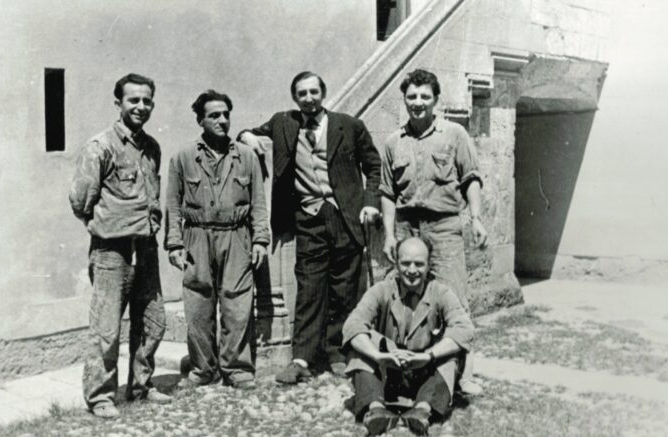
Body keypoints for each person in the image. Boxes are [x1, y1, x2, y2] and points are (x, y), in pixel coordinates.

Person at [238, 71, 381, 384]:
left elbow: (373, 165)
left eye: (314, 91)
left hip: (345, 216)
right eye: (301, 93)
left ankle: (338, 352)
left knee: (345, 289)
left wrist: (371, 202)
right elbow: (248, 132)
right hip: (308, 217)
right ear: (295, 98)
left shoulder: (349, 125)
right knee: (309, 288)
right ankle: (302, 358)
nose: (308, 98)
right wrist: (247, 136)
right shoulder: (284, 123)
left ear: (323, 93)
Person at [379, 68, 487, 396]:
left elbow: (471, 178)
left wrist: (476, 218)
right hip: (407, 225)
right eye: (412, 96)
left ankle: (465, 373)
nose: (418, 103)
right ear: (405, 100)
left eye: (425, 96)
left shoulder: (454, 134)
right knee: (406, 300)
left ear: (436, 99)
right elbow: (387, 192)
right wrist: (388, 235)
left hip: (444, 227)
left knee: (454, 299)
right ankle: (407, 370)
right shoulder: (393, 141)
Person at [69, 73, 171, 418]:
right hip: (111, 251)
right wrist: (105, 227)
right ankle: (100, 396)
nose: (141, 107)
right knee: (106, 328)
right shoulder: (101, 146)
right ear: (119, 104)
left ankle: (141, 386)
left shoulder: (152, 148)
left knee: (153, 320)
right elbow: (81, 199)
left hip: (146, 247)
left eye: (147, 101)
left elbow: (153, 197)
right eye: (133, 100)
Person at [165, 90, 269, 389]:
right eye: (214, 115)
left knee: (237, 305)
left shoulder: (246, 157)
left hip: (237, 236)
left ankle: (236, 368)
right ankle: (202, 368)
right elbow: (172, 203)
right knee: (198, 305)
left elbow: (259, 203)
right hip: (196, 237)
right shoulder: (183, 158)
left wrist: (260, 239)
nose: (223, 120)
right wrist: (174, 244)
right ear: (200, 120)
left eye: (226, 114)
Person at [342, 237, 474, 436]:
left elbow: (464, 329)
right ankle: (376, 411)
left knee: (451, 354)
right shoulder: (381, 290)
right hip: (387, 374)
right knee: (358, 345)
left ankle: (422, 412)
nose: (412, 270)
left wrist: (428, 356)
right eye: (405, 263)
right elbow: (352, 325)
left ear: (429, 265)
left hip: (424, 375)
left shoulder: (441, 292)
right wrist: (378, 356)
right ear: (396, 263)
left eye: (419, 264)